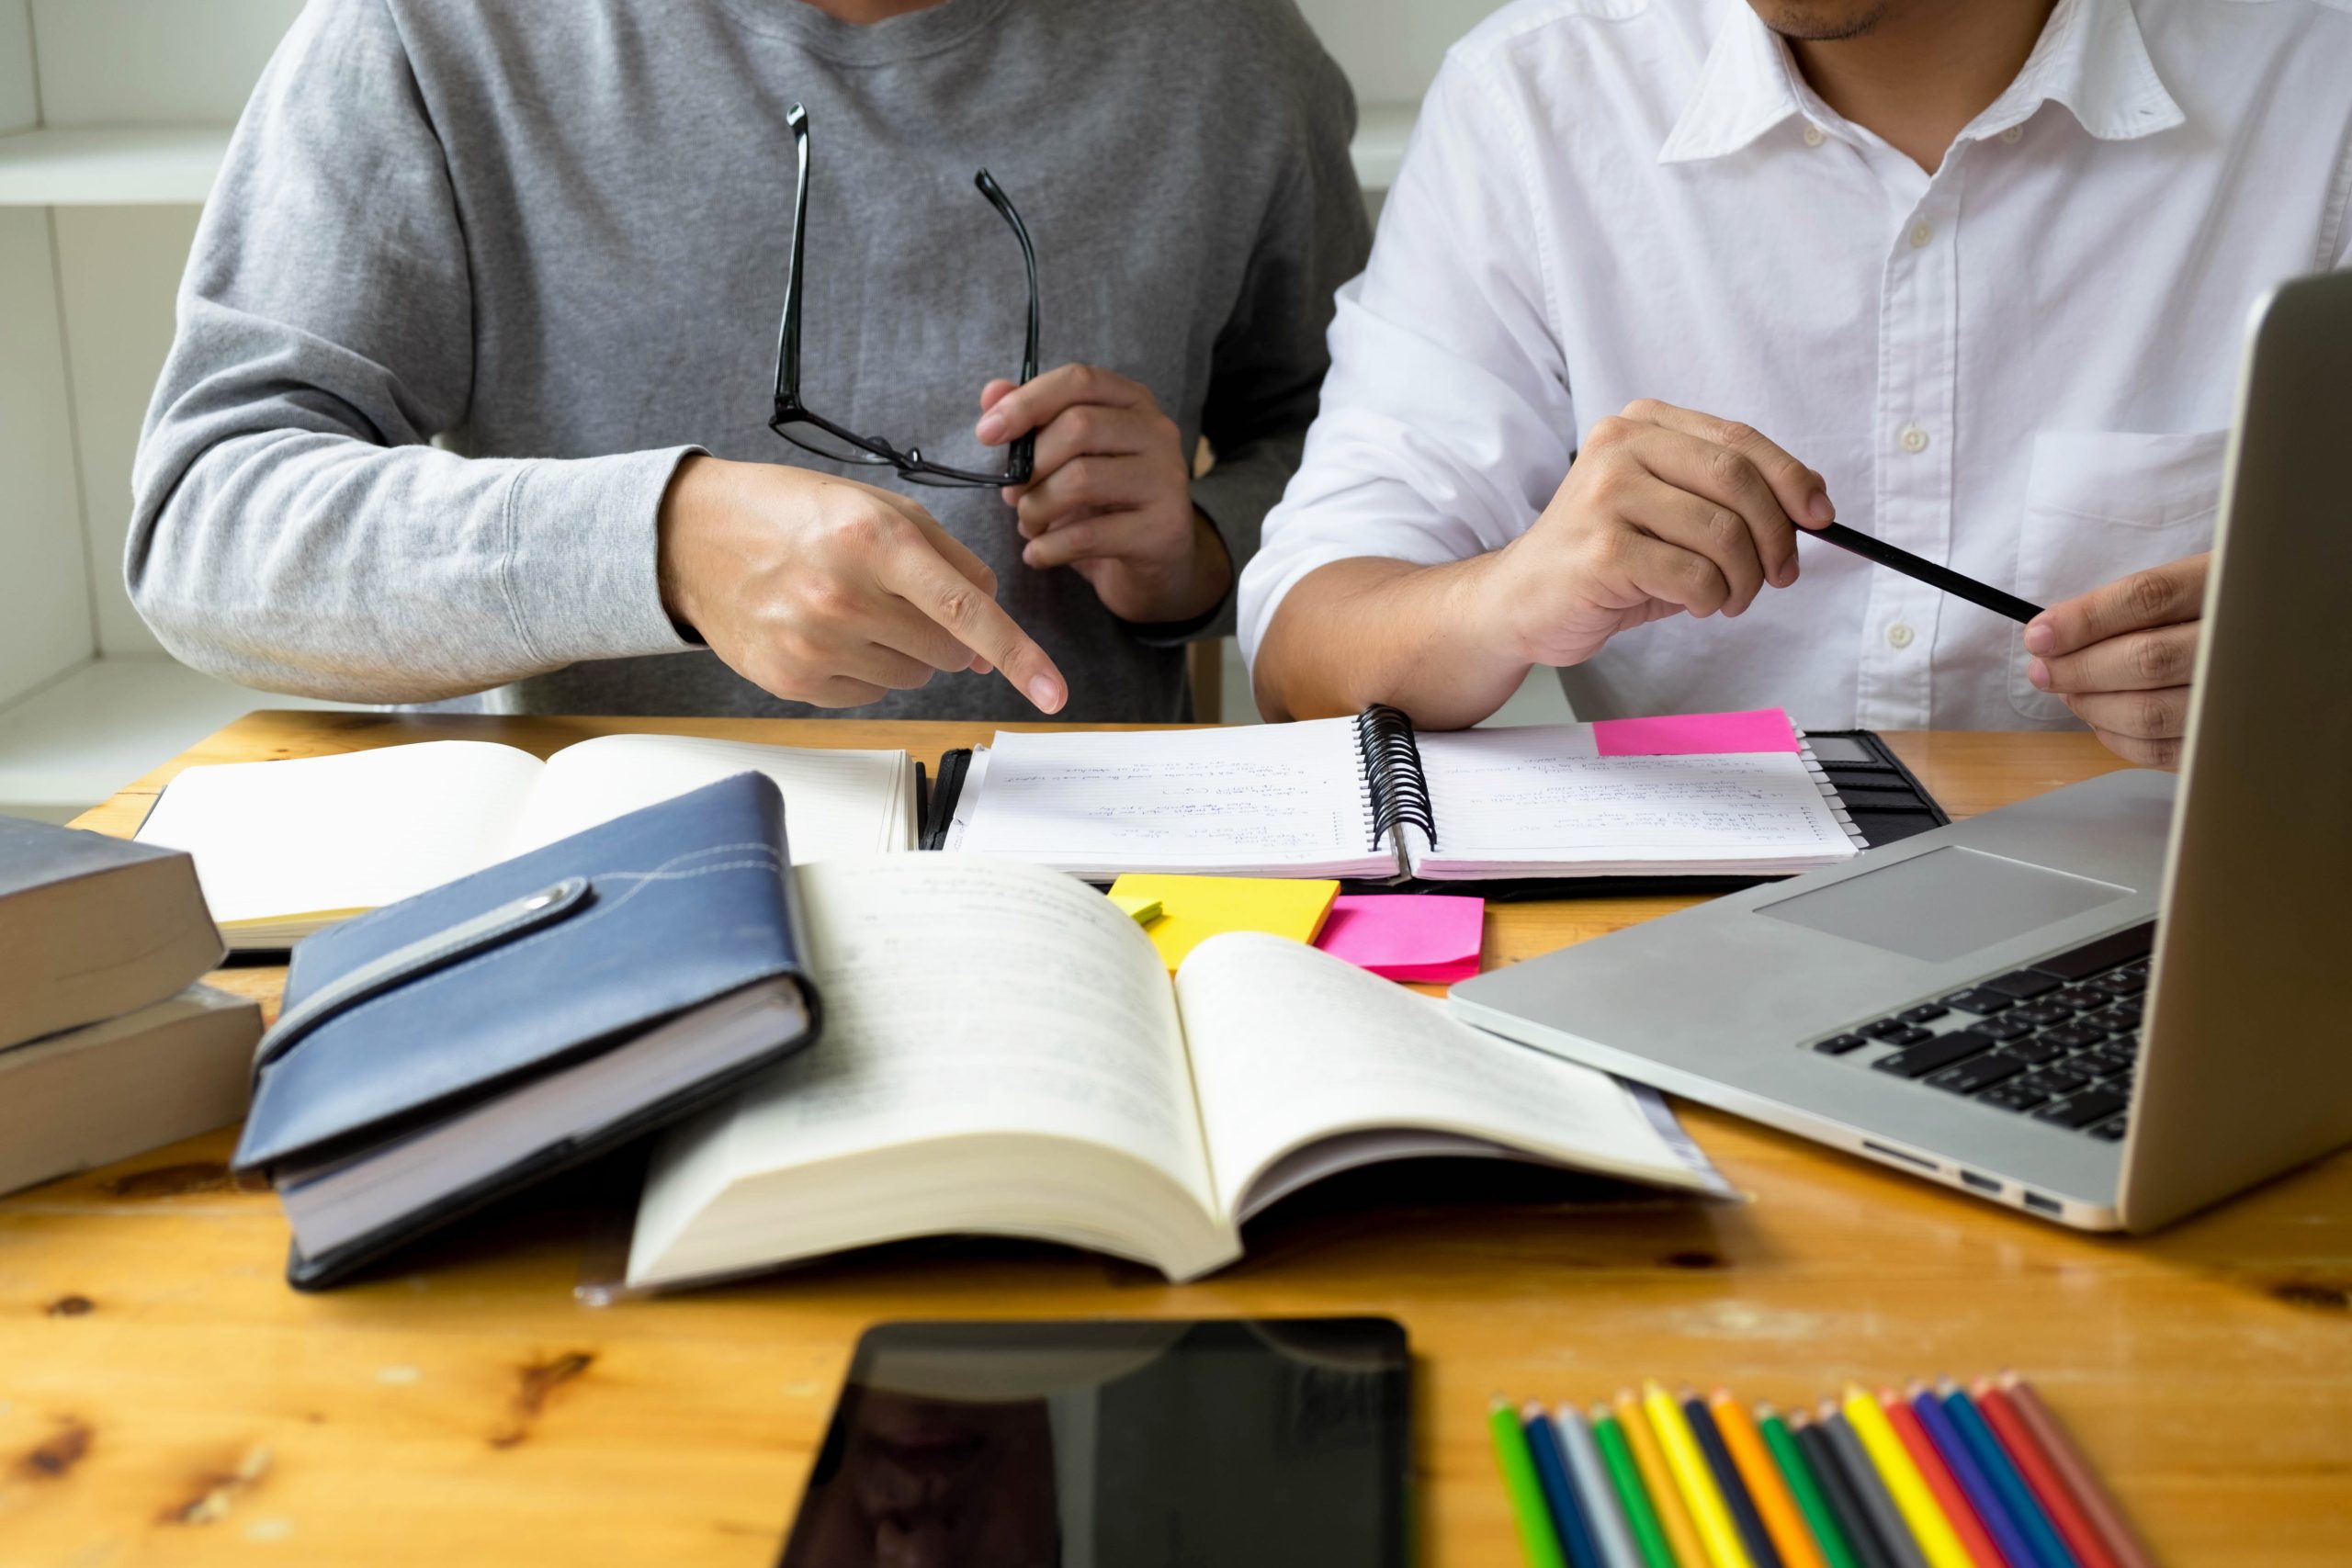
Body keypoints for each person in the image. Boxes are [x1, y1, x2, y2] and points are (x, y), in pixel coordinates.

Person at [130, 0, 1368, 723]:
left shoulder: (1231, 56)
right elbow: (208, 524)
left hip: (1096, 898)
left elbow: (1361, 461)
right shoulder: (433, 34)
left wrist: (1201, 545)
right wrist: (657, 541)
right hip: (619, 902)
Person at [1240, 0, 2352, 765]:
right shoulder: (1538, 92)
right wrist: (1508, 596)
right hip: (1682, 950)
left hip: (2187, 934)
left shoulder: (2319, 82)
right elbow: (1303, 646)